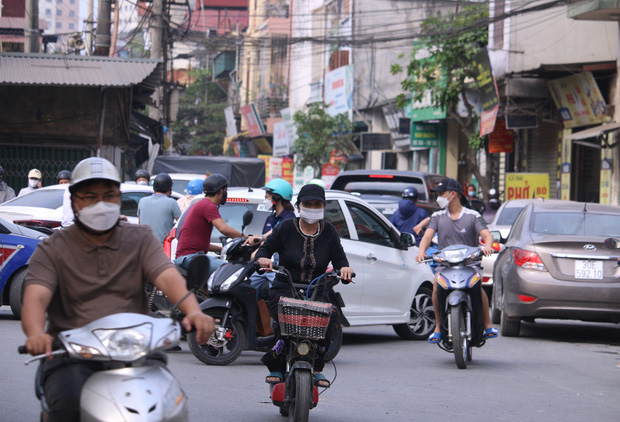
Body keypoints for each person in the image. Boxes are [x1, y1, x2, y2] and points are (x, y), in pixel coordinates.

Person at [21, 157, 214, 422]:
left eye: (108, 195)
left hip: (135, 350)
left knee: (168, 404)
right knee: (67, 405)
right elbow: (36, 296)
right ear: (75, 201)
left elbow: (167, 276)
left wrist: (194, 311)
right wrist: (35, 334)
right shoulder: (53, 248)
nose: (100, 204)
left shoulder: (140, 238)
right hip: (72, 355)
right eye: (90, 196)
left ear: (118, 199)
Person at [256, 183, 354, 388]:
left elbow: (340, 259)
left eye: (317, 204)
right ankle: (277, 365)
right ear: (299, 206)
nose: (312, 207)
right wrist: (263, 259)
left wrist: (345, 269)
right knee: (283, 319)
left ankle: (317, 367)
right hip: (285, 286)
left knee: (329, 317)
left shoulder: (329, 231)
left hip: (317, 288)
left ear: (323, 207)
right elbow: (265, 249)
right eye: (308, 204)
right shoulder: (285, 227)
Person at [415, 177, 498, 343]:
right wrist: (421, 251)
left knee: (479, 288)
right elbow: (427, 236)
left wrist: (488, 246)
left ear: (453, 194)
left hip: (470, 265)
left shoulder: (472, 216)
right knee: (436, 287)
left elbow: (487, 235)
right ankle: (438, 326)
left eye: (441, 193)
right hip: (444, 266)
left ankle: (488, 324)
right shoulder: (437, 216)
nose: (438, 197)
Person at [174, 173, 242, 277]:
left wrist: (222, 249)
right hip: (191, 257)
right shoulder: (209, 206)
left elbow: (198, 243)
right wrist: (245, 238)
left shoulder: (201, 203)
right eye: (225, 190)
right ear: (220, 191)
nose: (225, 193)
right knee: (231, 271)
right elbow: (224, 229)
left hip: (189, 256)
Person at [244, 179, 296, 299]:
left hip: (278, 268)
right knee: (248, 290)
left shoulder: (289, 218)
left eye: (267, 196)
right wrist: (250, 257)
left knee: (282, 297)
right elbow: (266, 244)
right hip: (265, 265)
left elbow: (275, 233)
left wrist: (260, 238)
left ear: (277, 197)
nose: (265, 199)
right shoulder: (270, 219)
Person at [137, 173, 182, 243]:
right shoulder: (172, 203)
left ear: (154, 188)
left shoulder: (142, 201)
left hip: (144, 245)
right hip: (162, 246)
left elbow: (140, 223)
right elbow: (180, 223)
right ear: (170, 189)